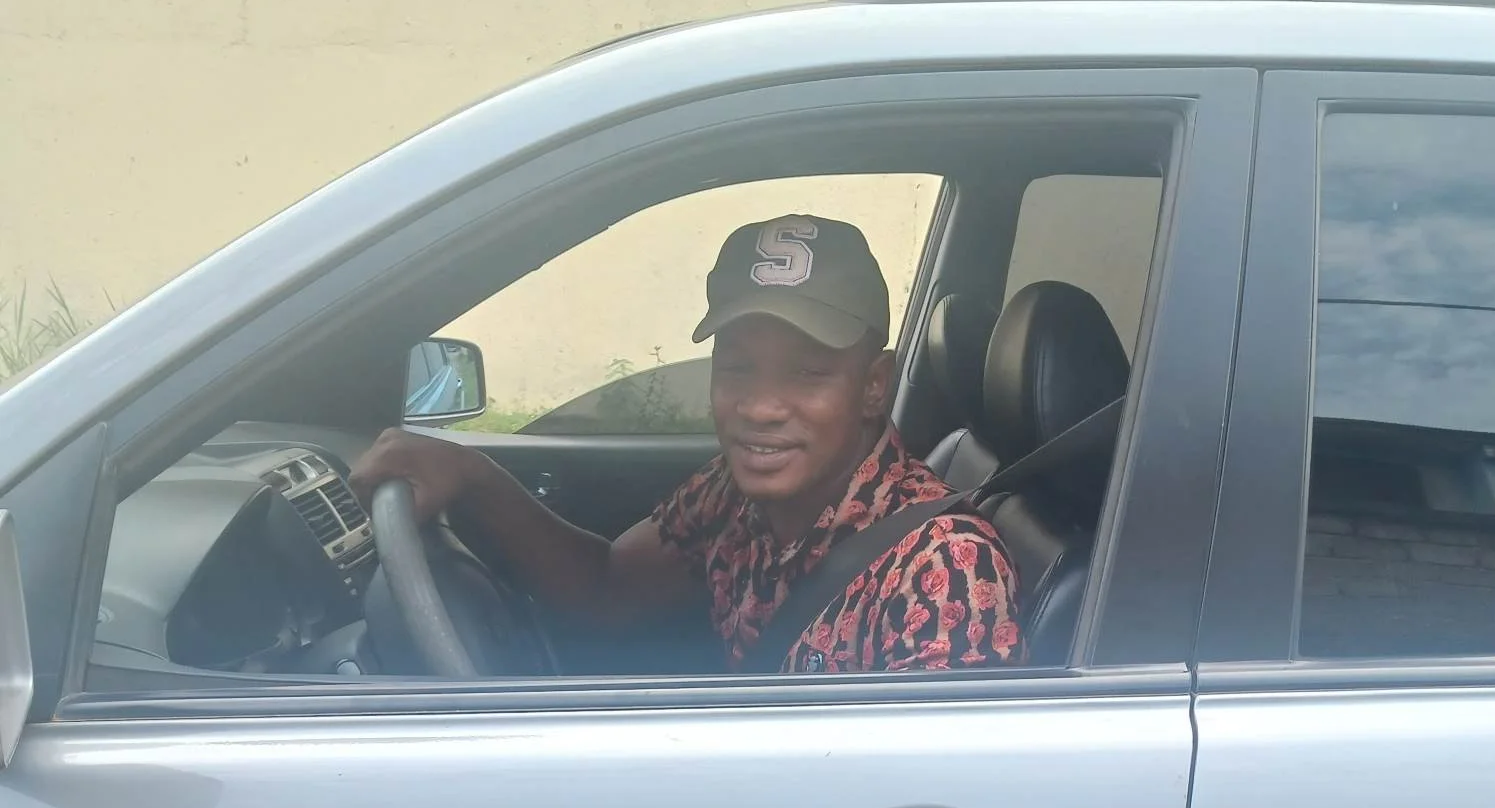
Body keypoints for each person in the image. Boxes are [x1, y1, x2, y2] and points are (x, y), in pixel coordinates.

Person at [351, 214, 1023, 673]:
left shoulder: (945, 568)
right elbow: (606, 590)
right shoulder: (733, 493)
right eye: (737, 368)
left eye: (808, 373)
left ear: (874, 386)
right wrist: (471, 476)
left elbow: (938, 804)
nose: (759, 407)